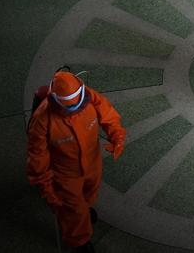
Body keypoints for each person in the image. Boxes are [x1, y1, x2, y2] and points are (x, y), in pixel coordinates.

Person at [26, 70, 126, 253]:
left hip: (93, 163)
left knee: (90, 193)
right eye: (69, 109)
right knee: (73, 211)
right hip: (65, 174)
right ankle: (79, 243)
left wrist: (116, 135)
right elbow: (37, 156)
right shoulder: (42, 120)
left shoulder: (89, 96)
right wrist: (46, 188)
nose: (75, 111)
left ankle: (85, 210)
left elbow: (108, 114)